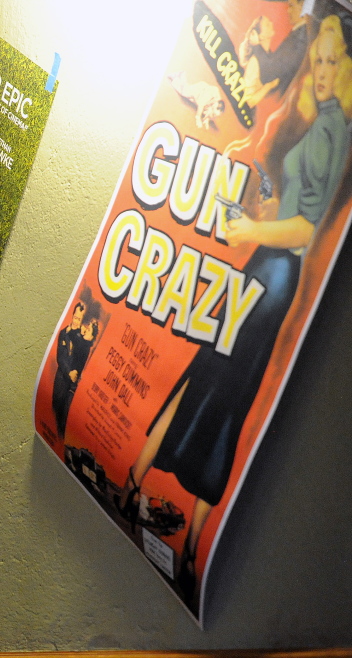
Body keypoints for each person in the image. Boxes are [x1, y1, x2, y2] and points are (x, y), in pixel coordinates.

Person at [114, 17, 352, 605]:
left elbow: (303, 228)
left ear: (346, 66)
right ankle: (177, 531)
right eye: (315, 61)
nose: (320, 73)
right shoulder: (323, 126)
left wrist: (251, 225)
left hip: (273, 274)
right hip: (267, 272)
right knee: (220, 389)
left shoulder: (335, 134)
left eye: (330, 62)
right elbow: (295, 205)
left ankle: (142, 497)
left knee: (215, 384)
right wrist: (265, 203)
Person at [52, 302, 85, 439]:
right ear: (72, 316)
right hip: (61, 379)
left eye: (80, 320)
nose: (77, 322)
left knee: (66, 416)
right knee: (56, 407)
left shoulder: (81, 338)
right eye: (76, 318)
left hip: (72, 385)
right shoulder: (63, 333)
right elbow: (60, 357)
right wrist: (69, 372)